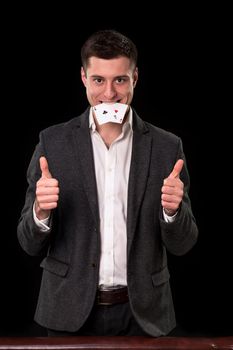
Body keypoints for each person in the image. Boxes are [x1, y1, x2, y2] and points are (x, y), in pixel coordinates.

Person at [17, 29, 198, 337]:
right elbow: (28, 242)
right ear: (84, 78)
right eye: (99, 79)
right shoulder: (52, 143)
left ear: (135, 78)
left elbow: (183, 244)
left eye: (120, 80)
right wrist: (40, 212)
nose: (110, 93)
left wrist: (172, 211)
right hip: (67, 311)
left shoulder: (167, 147)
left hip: (144, 316)